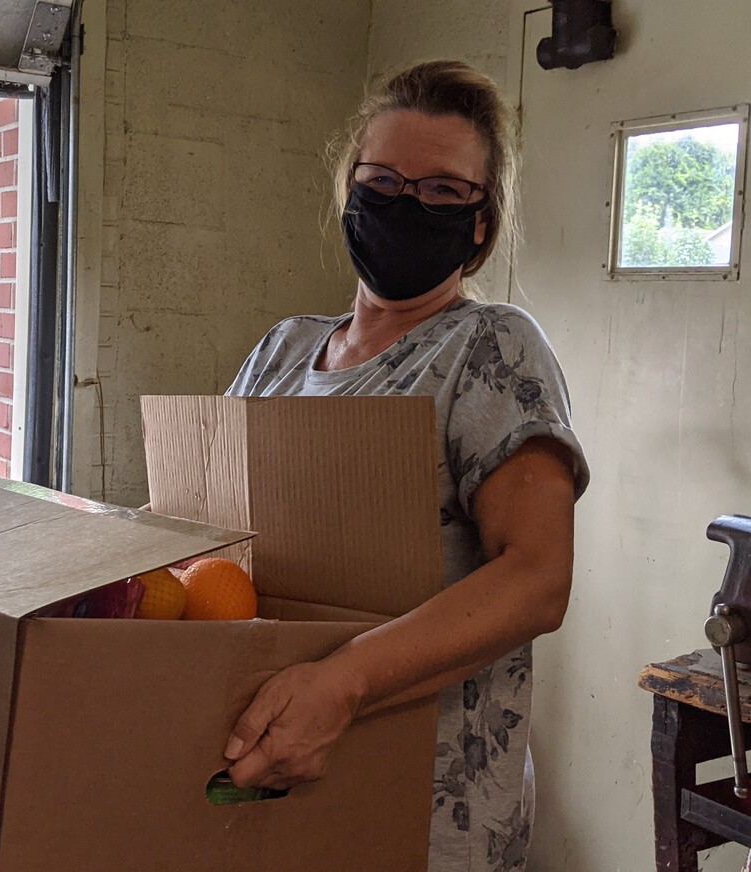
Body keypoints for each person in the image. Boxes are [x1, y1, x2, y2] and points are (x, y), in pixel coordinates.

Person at [220, 59, 590, 871]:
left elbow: (536, 576)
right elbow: (204, 531)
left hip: (423, 805)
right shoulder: (281, 350)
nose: (405, 204)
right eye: (382, 180)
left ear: (481, 224)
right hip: (261, 775)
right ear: (348, 190)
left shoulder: (491, 349)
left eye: (442, 191)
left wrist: (343, 682)